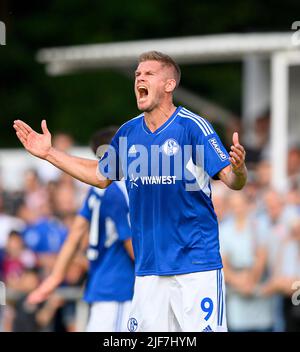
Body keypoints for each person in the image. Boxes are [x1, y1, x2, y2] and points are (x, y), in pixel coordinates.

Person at [13, 51, 247, 332]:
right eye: (137, 74)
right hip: (148, 270)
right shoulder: (128, 132)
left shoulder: (192, 127)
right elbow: (100, 176)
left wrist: (241, 169)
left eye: (148, 74)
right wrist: (50, 153)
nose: (139, 78)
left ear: (169, 84)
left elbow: (232, 180)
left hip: (195, 267)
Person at [26, 128, 135, 332]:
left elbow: (75, 234)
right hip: (119, 288)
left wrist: (54, 278)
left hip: (101, 284)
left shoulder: (96, 190)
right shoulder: (116, 193)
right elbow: (132, 248)